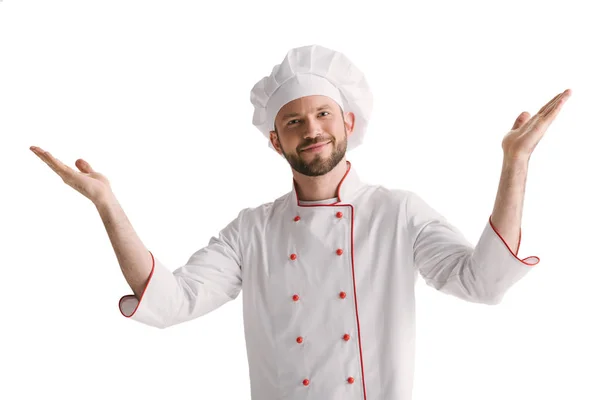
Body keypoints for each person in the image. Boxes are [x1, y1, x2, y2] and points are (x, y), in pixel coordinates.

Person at [30, 44, 571, 400]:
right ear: (275, 139)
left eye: (322, 115)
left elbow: (482, 282)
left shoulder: (397, 212)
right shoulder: (252, 231)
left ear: (348, 123)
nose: (310, 129)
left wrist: (515, 163)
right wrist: (107, 204)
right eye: (293, 121)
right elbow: (172, 303)